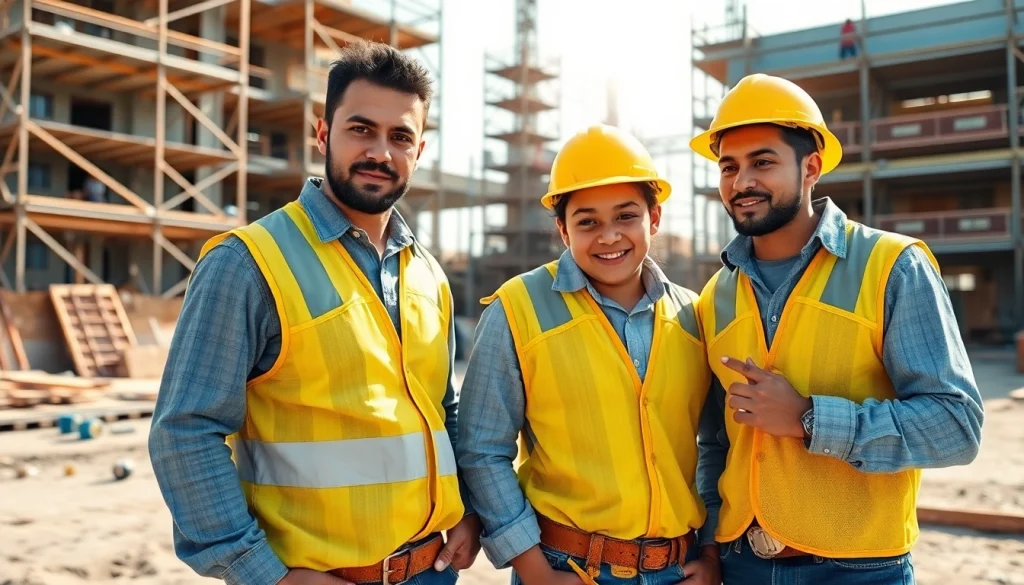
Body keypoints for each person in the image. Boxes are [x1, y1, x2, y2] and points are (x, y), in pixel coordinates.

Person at [149, 41, 481, 585]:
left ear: (420, 149)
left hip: (432, 571)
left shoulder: (428, 275)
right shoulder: (248, 262)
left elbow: (441, 408)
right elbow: (184, 432)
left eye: (400, 137)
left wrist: (469, 506)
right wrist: (265, 576)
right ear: (323, 133)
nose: (380, 151)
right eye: (360, 129)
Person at [689, 73, 985, 584]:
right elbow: (717, 442)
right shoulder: (716, 293)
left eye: (762, 162)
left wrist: (809, 419)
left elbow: (956, 426)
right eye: (729, 167)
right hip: (741, 566)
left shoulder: (892, 266)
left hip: (858, 571)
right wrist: (713, 547)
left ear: (811, 167)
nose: (741, 183)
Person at [457, 124, 721, 585]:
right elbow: (482, 450)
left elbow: (716, 445)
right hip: (568, 569)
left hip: (679, 568)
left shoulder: (693, 315)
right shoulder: (518, 309)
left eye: (626, 216)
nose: (609, 236)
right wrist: (535, 573)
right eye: (587, 222)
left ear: (653, 219)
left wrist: (713, 552)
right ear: (562, 229)